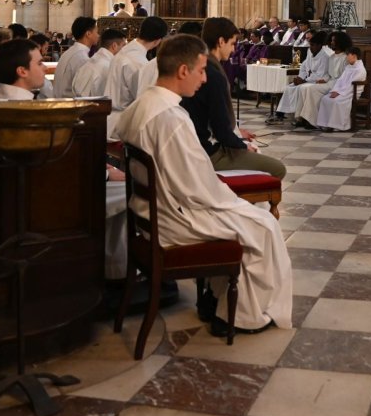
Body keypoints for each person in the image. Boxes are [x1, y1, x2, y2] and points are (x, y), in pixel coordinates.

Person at [116, 33, 293, 336]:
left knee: (252, 219)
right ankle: (241, 317)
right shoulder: (171, 118)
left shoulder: (141, 104)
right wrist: (232, 200)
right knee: (263, 225)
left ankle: (216, 301)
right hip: (173, 219)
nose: (203, 79)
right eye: (200, 71)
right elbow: (197, 189)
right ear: (183, 70)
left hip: (149, 213)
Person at [182, 17, 287, 177]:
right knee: (277, 169)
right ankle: (239, 198)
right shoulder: (211, 74)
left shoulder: (202, 67)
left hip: (196, 146)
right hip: (205, 153)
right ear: (221, 41)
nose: (233, 50)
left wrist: (237, 134)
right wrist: (242, 146)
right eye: (232, 43)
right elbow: (221, 130)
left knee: (252, 148)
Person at [105, 15, 169, 116]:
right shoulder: (138, 62)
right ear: (157, 41)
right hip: (124, 118)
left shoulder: (125, 51)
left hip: (113, 115)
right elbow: (143, 98)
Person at [295, 31, 352, 129]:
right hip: (330, 82)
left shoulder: (345, 58)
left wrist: (338, 90)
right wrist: (323, 79)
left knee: (312, 89)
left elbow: (345, 77)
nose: (332, 43)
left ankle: (311, 121)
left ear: (341, 42)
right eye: (331, 40)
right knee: (309, 88)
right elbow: (328, 74)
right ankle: (303, 118)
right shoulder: (332, 57)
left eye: (334, 41)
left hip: (337, 85)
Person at [275, 32, 330, 120]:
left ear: (320, 46)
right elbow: (304, 67)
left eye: (313, 45)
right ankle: (281, 112)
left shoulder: (325, 57)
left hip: (318, 82)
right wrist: (300, 77)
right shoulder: (310, 52)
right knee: (289, 87)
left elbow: (320, 75)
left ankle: (299, 115)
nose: (310, 48)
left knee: (300, 88)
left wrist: (304, 81)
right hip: (307, 79)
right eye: (310, 45)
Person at [315, 47, 367, 131]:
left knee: (336, 101)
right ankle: (325, 124)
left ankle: (337, 126)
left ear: (354, 56)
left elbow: (350, 85)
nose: (346, 57)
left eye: (348, 55)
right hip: (342, 91)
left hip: (352, 92)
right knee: (325, 99)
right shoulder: (349, 67)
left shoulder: (360, 69)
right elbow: (340, 81)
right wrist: (334, 90)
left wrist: (339, 93)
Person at [54, 17, 100, 98]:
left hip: (59, 101)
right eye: (97, 32)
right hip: (69, 105)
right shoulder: (82, 58)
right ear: (88, 34)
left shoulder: (70, 52)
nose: (98, 35)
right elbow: (83, 92)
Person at [73, 28, 127, 98]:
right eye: (123, 46)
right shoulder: (109, 67)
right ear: (114, 46)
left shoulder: (89, 62)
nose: (125, 50)